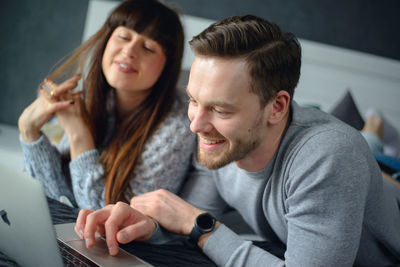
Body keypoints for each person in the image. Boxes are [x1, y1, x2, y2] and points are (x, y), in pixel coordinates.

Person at [75, 15, 400, 266]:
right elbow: (191, 229)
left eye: (219, 109)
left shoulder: (328, 156)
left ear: (277, 106)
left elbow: (198, 225)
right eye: (193, 101)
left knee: (370, 150)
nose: (196, 126)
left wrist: (200, 224)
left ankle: (376, 131)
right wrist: (148, 227)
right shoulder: (220, 147)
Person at [18, 0, 195, 209]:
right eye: (123, 37)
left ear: (167, 67)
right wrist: (29, 133)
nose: (129, 51)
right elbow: (60, 201)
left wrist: (78, 135)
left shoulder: (178, 128)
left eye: (148, 47)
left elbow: (105, 220)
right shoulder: (95, 99)